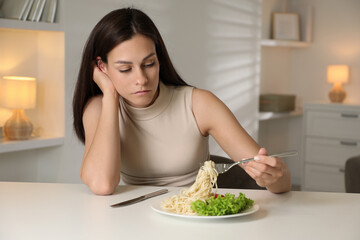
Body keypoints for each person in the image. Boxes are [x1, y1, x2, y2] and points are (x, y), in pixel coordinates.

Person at [73, 7, 291, 195]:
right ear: (102, 67)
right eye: (125, 69)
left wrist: (272, 176)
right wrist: (110, 95)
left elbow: (281, 182)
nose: (141, 79)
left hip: (195, 218)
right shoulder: (98, 109)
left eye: (149, 64)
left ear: (159, 59)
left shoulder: (199, 104)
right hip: (135, 221)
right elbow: (102, 185)